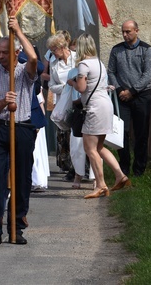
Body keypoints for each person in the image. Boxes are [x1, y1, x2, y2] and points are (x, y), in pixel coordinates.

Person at [0, 17, 37, 246]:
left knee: (21, 179)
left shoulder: (23, 72)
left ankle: (17, 227)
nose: (0, 56)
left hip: (21, 128)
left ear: (15, 52)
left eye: (5, 52)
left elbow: (33, 58)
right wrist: (3, 102)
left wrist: (18, 31)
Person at [69, 34, 131, 198]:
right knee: (99, 147)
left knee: (90, 148)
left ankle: (101, 185)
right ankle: (120, 175)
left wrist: (72, 82)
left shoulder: (83, 65)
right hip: (105, 105)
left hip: (94, 108)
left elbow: (82, 88)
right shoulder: (99, 63)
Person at [107, 20, 151, 177]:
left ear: (136, 31)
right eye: (123, 32)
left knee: (141, 133)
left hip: (141, 95)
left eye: (128, 31)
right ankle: (124, 166)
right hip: (122, 97)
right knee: (122, 132)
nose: (125, 34)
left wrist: (133, 91)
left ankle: (139, 169)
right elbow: (111, 71)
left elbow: (147, 74)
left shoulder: (146, 50)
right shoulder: (117, 50)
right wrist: (120, 90)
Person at [47, 32, 89, 188]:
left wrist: (74, 85)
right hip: (63, 102)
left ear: (61, 47)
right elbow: (51, 85)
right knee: (65, 137)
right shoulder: (54, 64)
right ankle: (71, 168)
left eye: (53, 50)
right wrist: (65, 87)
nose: (52, 53)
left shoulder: (76, 58)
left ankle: (84, 168)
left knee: (79, 137)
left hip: (78, 101)